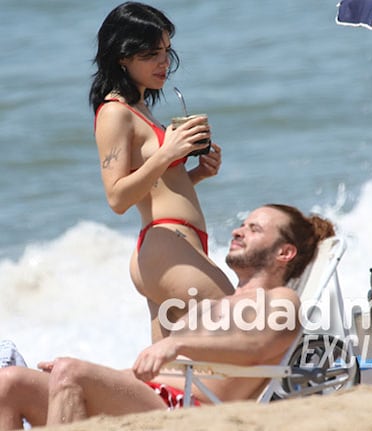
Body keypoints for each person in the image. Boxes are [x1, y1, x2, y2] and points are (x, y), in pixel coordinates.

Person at [0, 204, 336, 429]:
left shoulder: (281, 299)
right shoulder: (211, 308)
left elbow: (258, 345)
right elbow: (156, 369)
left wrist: (176, 344)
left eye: (254, 229)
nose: (238, 231)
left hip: (191, 411)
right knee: (11, 381)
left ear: (284, 252)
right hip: (149, 397)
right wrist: (99, 374)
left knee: (71, 374)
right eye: (241, 225)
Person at [89, 2, 233, 341]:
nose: (164, 62)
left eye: (167, 51)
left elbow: (155, 188)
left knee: (173, 374)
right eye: (152, 53)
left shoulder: (140, 109)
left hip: (172, 246)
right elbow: (117, 197)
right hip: (166, 246)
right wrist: (168, 152)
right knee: (246, 320)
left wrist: (195, 175)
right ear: (123, 56)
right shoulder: (115, 112)